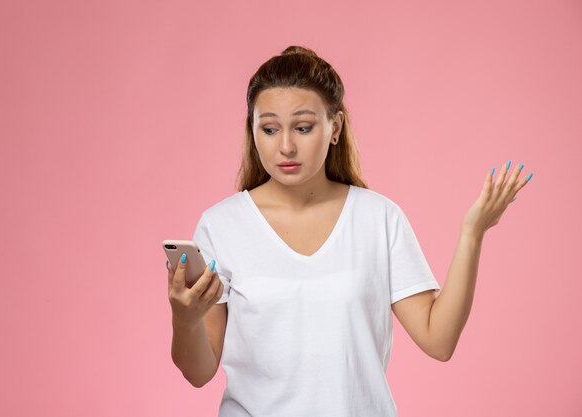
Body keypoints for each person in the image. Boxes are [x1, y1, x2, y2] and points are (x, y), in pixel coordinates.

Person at [168, 45, 533, 417]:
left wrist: (472, 233)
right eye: (269, 129)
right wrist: (184, 317)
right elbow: (199, 372)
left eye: (304, 127)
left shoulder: (379, 219)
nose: (286, 146)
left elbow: (438, 340)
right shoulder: (222, 226)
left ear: (335, 128)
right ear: (254, 130)